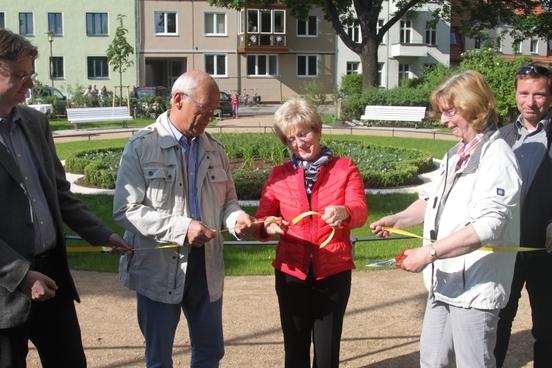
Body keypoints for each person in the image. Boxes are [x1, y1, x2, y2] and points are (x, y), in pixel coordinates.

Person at [370, 70, 521, 368]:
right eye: (442, 111)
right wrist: (397, 218)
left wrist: (429, 253)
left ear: (473, 107)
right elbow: (431, 199)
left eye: (450, 111)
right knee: (432, 361)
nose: (443, 120)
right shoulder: (457, 152)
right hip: (444, 280)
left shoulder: (497, 156)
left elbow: (489, 225)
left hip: (475, 287)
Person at [0, 28, 131, 368]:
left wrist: (102, 234)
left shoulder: (35, 122)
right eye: (20, 76)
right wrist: (21, 275)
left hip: (51, 275)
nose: (28, 86)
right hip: (5, 288)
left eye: (30, 76)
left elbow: (60, 194)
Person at [113, 70, 255, 368]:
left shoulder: (215, 150)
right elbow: (126, 210)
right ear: (178, 100)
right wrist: (182, 228)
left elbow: (228, 202)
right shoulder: (141, 146)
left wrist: (237, 219)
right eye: (203, 111)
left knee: (210, 351)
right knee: (159, 358)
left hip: (206, 268)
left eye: (213, 113)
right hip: (158, 268)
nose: (209, 120)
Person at [253, 97, 368, 368]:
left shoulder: (344, 168)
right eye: (290, 139)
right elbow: (262, 219)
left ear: (317, 129)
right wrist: (268, 226)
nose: (298, 143)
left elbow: (360, 209)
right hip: (292, 272)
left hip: (333, 271)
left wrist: (345, 212)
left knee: (327, 356)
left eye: (303, 133)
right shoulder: (278, 175)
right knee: (295, 351)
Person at [494, 63, 552, 368]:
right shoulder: (502, 137)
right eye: (524, 93)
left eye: (539, 94)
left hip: (546, 252)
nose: (531, 101)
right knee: (498, 321)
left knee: (547, 327)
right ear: (515, 93)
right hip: (506, 248)